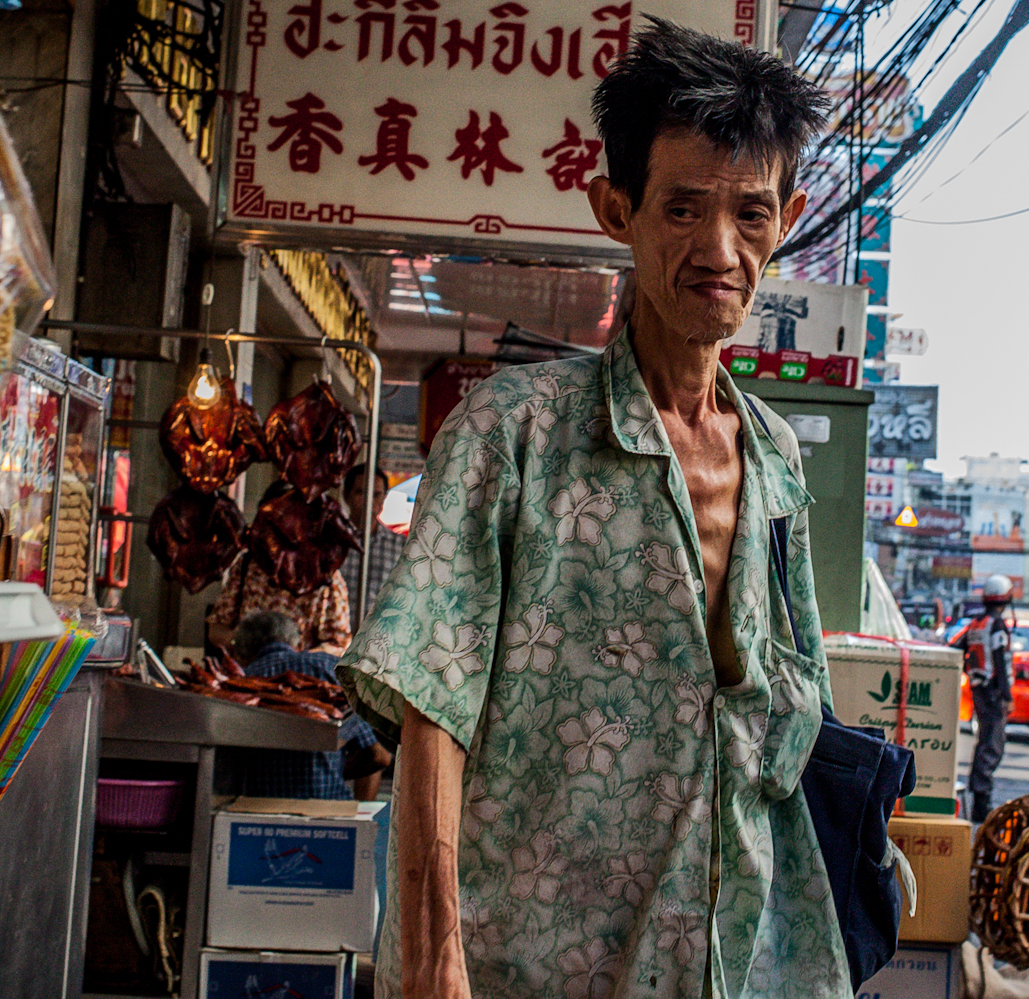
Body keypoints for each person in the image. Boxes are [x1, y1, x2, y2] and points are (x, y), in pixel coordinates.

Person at [337, 21, 842, 999]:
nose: (718, 249)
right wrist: (432, 955)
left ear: (788, 217)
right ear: (615, 209)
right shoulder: (509, 433)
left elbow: (782, 704)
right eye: (683, 208)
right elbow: (428, 695)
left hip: (713, 953)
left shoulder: (774, 459)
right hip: (520, 957)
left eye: (748, 214)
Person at [217, 610, 391, 800]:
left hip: (257, 814)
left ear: (243, 652)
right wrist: (333, 771)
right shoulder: (332, 670)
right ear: (296, 641)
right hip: (329, 813)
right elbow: (378, 757)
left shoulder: (239, 684)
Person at [206, 480, 353, 655]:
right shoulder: (248, 565)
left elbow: (339, 644)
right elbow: (216, 631)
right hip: (246, 676)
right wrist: (242, 642)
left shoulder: (326, 575)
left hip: (299, 678)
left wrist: (294, 659)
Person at [956, 574, 1015, 824]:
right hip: (992, 691)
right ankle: (982, 802)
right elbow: (999, 660)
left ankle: (979, 797)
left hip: (979, 689)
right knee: (992, 745)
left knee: (984, 744)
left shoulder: (976, 624)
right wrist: (1007, 695)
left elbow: (957, 648)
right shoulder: (997, 625)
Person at [338, 464, 407, 625]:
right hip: (336, 638)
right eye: (361, 492)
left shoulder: (400, 547)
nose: (369, 500)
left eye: (376, 494)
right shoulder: (332, 542)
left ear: (384, 498)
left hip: (380, 640)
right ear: (346, 495)